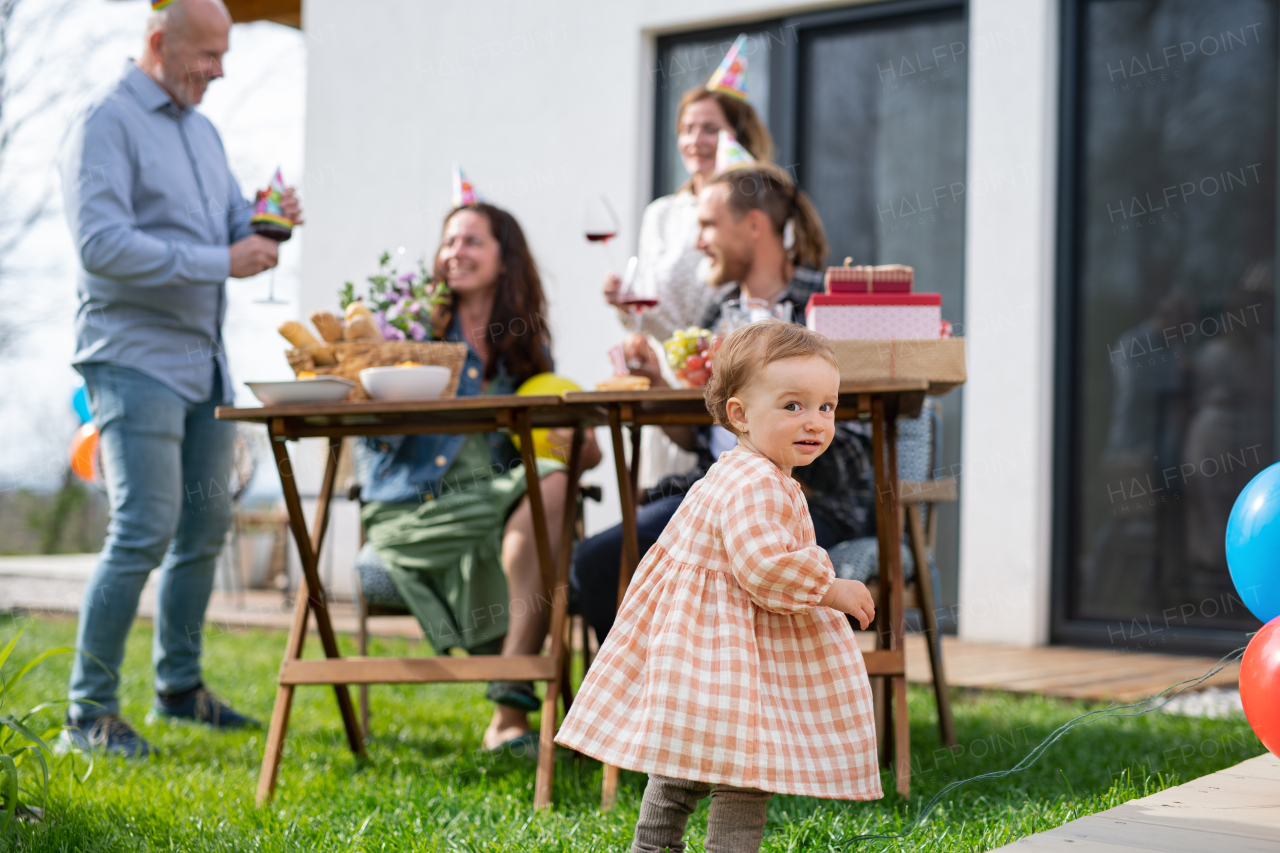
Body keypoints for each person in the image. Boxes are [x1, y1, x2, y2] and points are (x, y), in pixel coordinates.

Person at [57, 0, 298, 757]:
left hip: (202, 360)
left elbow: (228, 225)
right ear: (159, 43)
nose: (221, 70)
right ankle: (87, 714)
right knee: (142, 528)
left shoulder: (201, 131)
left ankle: (180, 688)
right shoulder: (104, 122)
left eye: (224, 54)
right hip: (133, 356)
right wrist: (221, 260)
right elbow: (101, 245)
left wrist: (266, 223)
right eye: (208, 55)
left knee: (204, 527)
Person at [556, 321, 883, 853]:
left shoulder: (736, 470)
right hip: (730, 654)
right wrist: (831, 588)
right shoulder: (758, 483)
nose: (815, 422)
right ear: (739, 414)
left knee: (685, 762)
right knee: (743, 773)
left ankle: (652, 845)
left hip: (699, 650)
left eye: (827, 407)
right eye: (793, 406)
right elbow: (763, 566)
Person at [572, 162, 875, 644]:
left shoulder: (828, 308)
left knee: (657, 562)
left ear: (753, 226)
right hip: (721, 490)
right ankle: (652, 695)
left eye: (708, 225)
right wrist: (659, 386)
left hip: (806, 502)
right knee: (599, 560)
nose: (698, 241)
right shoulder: (718, 315)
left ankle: (689, 692)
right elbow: (708, 434)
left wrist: (782, 444)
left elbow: (855, 454)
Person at [357, 202, 601, 754]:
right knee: (549, 496)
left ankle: (509, 711)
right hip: (412, 507)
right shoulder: (408, 330)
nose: (455, 253)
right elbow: (372, 437)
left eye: (472, 242)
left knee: (557, 481)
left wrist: (578, 446)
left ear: (504, 257)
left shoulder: (526, 347)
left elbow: (551, 446)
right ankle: (512, 705)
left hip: (497, 496)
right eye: (449, 242)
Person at [602, 83, 774, 341]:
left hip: (736, 367)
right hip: (669, 373)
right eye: (687, 129)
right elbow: (651, 316)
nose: (695, 141)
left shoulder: (762, 213)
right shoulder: (660, 214)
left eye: (710, 129)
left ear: (737, 136)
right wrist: (626, 307)